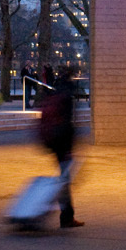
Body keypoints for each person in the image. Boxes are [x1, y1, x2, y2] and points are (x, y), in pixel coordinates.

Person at [36, 74, 81, 228]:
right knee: (64, 181)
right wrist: (69, 148)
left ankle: (66, 215)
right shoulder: (66, 99)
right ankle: (66, 217)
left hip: (54, 142)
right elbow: (67, 125)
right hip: (62, 144)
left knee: (64, 179)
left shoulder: (55, 95)